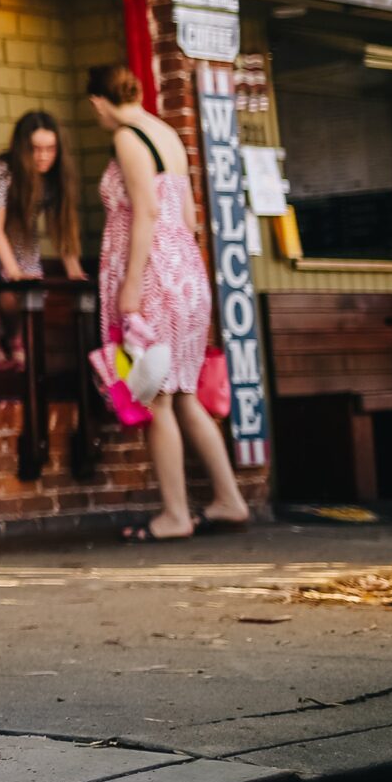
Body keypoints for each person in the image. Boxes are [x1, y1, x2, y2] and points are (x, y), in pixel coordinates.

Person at [85, 63, 248, 541]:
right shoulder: (167, 134)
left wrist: (130, 286)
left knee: (156, 397)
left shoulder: (128, 138)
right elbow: (188, 216)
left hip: (153, 274)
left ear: (98, 102)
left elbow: (147, 213)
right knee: (186, 392)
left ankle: (175, 514)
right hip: (186, 274)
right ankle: (228, 498)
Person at [0, 110, 86, 371]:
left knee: (13, 298)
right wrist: (12, 271)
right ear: (23, 147)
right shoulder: (4, 171)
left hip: (22, 242)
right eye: (35, 149)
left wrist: (74, 271)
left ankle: (16, 340)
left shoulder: (56, 178)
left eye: (50, 148)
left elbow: (62, 226)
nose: (43, 156)